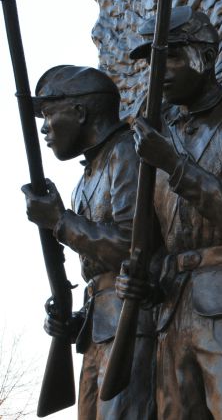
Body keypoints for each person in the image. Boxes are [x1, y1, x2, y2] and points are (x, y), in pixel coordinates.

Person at [116, 7, 222, 420]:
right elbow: (156, 240)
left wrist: (176, 167)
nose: (160, 72)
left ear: (208, 58)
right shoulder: (160, 137)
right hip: (174, 311)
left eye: (172, 56)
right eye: (152, 63)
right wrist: (145, 279)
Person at [22, 65, 157, 420]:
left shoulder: (127, 152)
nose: (44, 127)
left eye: (50, 113)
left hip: (132, 328)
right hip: (99, 332)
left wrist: (59, 221)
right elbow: (100, 273)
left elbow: (134, 247)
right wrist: (77, 318)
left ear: (80, 112)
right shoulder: (85, 178)